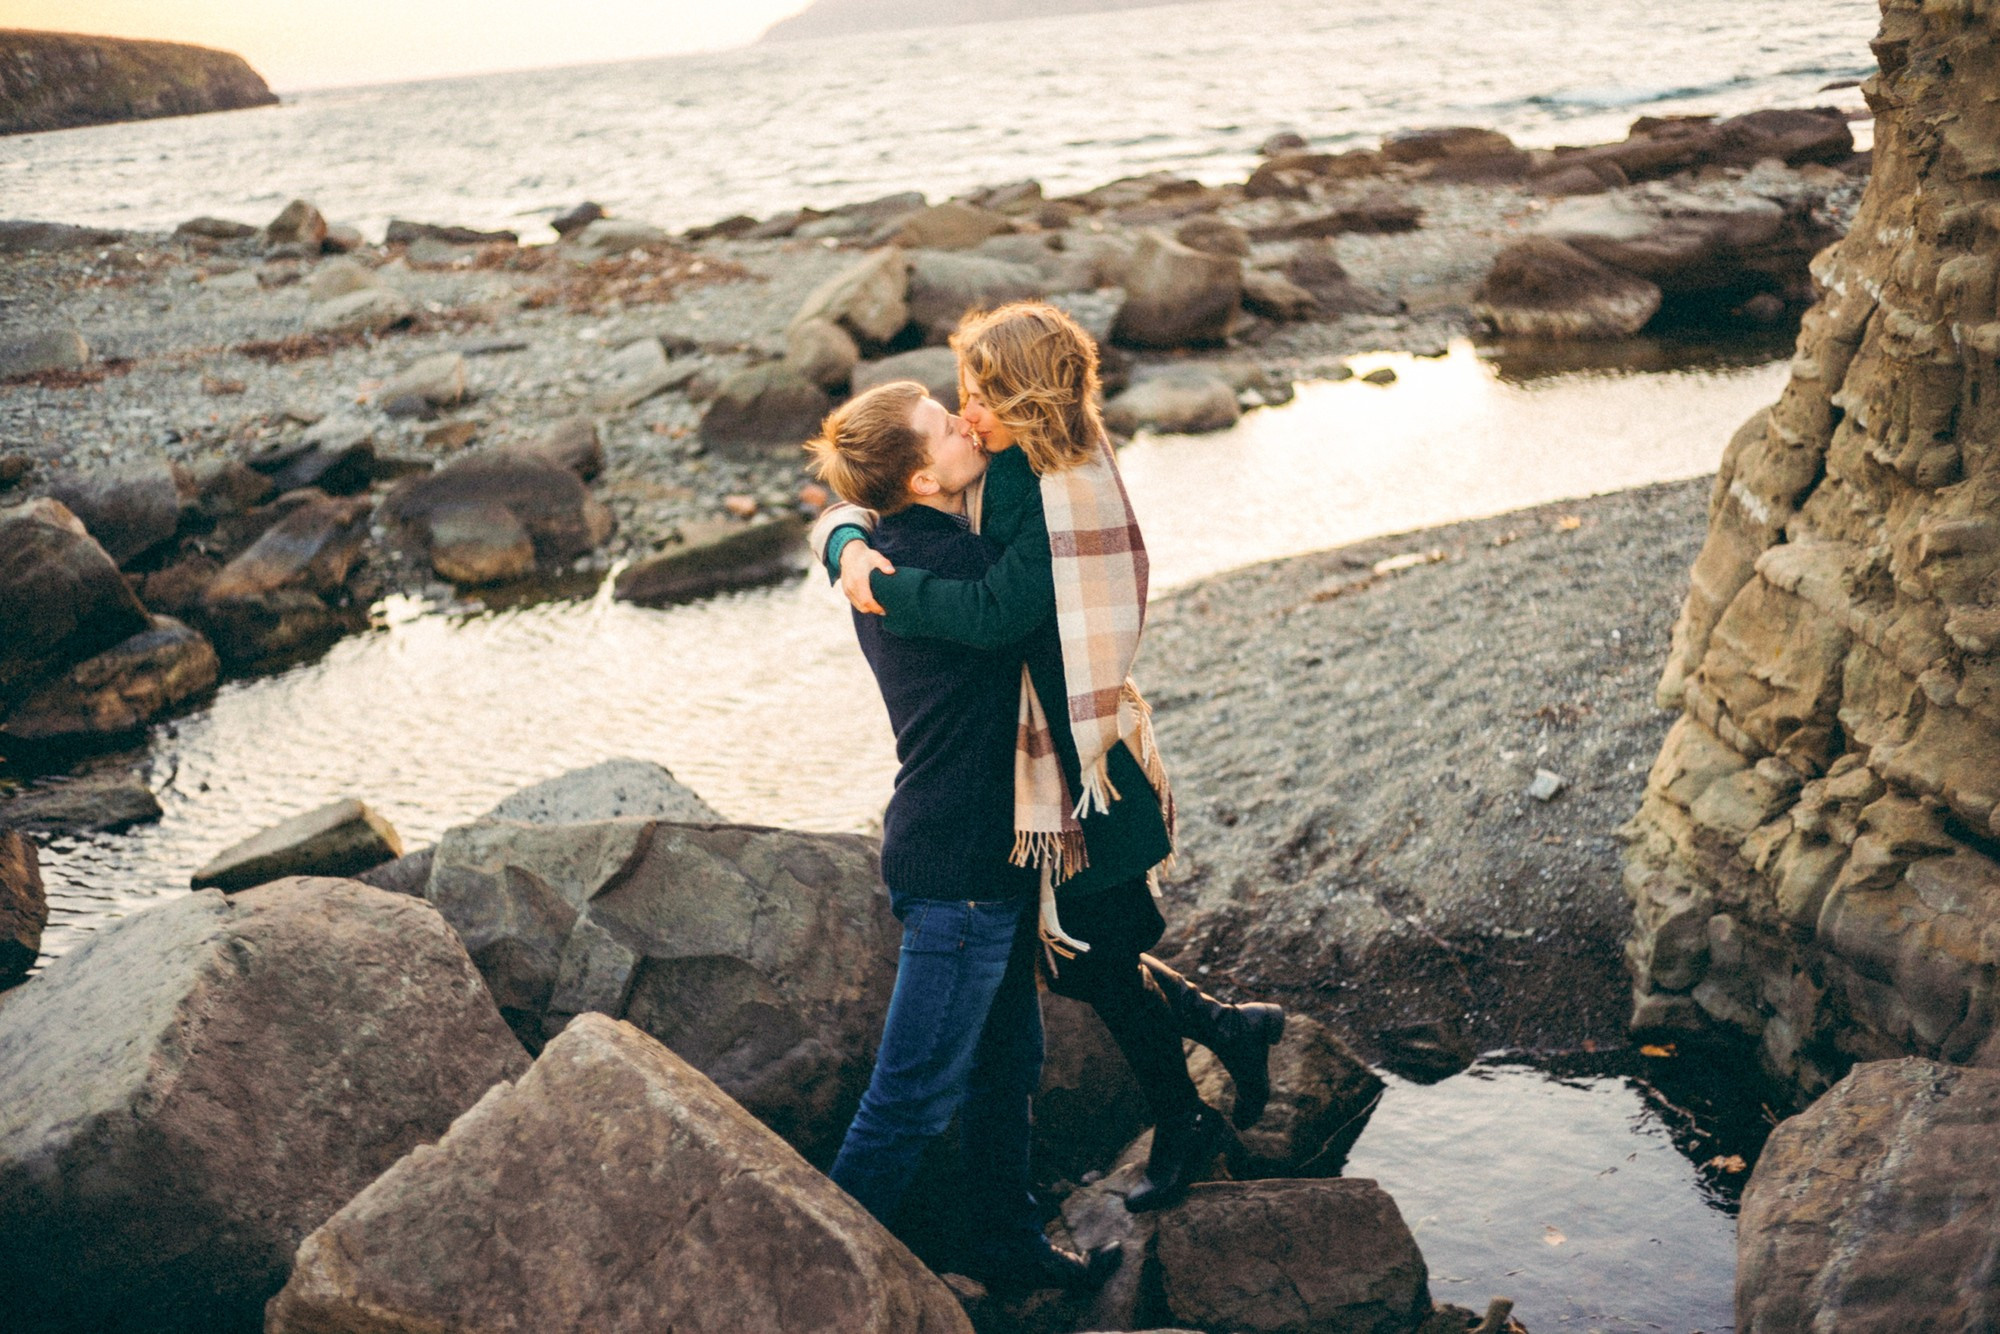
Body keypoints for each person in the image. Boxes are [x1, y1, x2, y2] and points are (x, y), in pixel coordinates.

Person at [809, 302, 1285, 1213]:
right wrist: (841, 535)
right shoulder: (1029, 463)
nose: (968, 411)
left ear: (1024, 398)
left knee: (1092, 956)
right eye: (959, 400)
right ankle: (1226, 1034)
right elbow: (863, 489)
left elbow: (998, 612)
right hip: (1058, 760)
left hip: (1078, 761)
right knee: (1082, 958)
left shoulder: (1040, 479)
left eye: (979, 396)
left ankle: (1193, 1098)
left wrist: (880, 577)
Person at [805, 380, 1119, 1293]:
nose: (964, 422)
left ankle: (1004, 1246)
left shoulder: (902, 542)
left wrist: (836, 529)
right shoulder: (920, 569)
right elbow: (1016, 600)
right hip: (960, 863)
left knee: (1006, 1066)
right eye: (946, 423)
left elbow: (847, 513)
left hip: (993, 855)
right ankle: (815, 1286)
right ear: (917, 473)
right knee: (907, 1100)